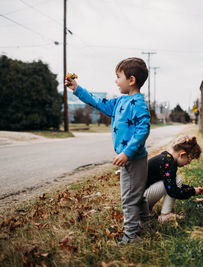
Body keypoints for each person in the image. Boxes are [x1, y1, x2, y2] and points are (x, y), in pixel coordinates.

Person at [65, 57, 151, 244]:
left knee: (129, 198)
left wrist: (127, 153)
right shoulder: (119, 102)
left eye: (118, 76)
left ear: (131, 80)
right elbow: (97, 102)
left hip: (134, 159)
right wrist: (77, 89)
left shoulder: (139, 104)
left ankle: (131, 236)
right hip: (127, 158)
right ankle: (145, 225)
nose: (115, 80)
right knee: (137, 194)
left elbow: (143, 130)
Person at [144, 135, 203, 222]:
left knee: (174, 181)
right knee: (177, 180)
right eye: (189, 160)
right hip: (139, 201)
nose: (188, 163)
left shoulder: (166, 159)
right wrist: (192, 192)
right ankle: (165, 215)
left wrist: (193, 190)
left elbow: (171, 184)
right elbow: (173, 191)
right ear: (182, 155)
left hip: (140, 198)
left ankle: (147, 211)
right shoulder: (167, 162)